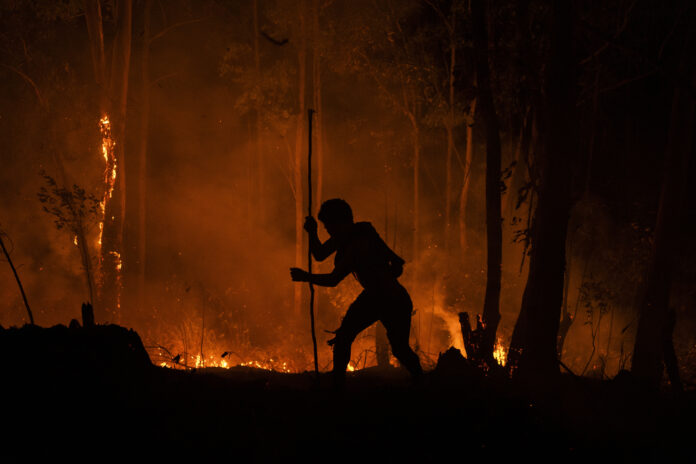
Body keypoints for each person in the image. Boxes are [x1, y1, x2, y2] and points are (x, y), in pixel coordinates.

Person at [290, 198, 422, 388]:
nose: (327, 230)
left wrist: (306, 277)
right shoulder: (351, 235)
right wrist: (312, 233)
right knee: (395, 348)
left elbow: (333, 280)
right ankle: (420, 380)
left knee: (394, 347)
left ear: (340, 223)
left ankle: (338, 387)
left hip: (386, 298)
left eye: (328, 226)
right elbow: (319, 254)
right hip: (387, 296)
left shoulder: (358, 243)